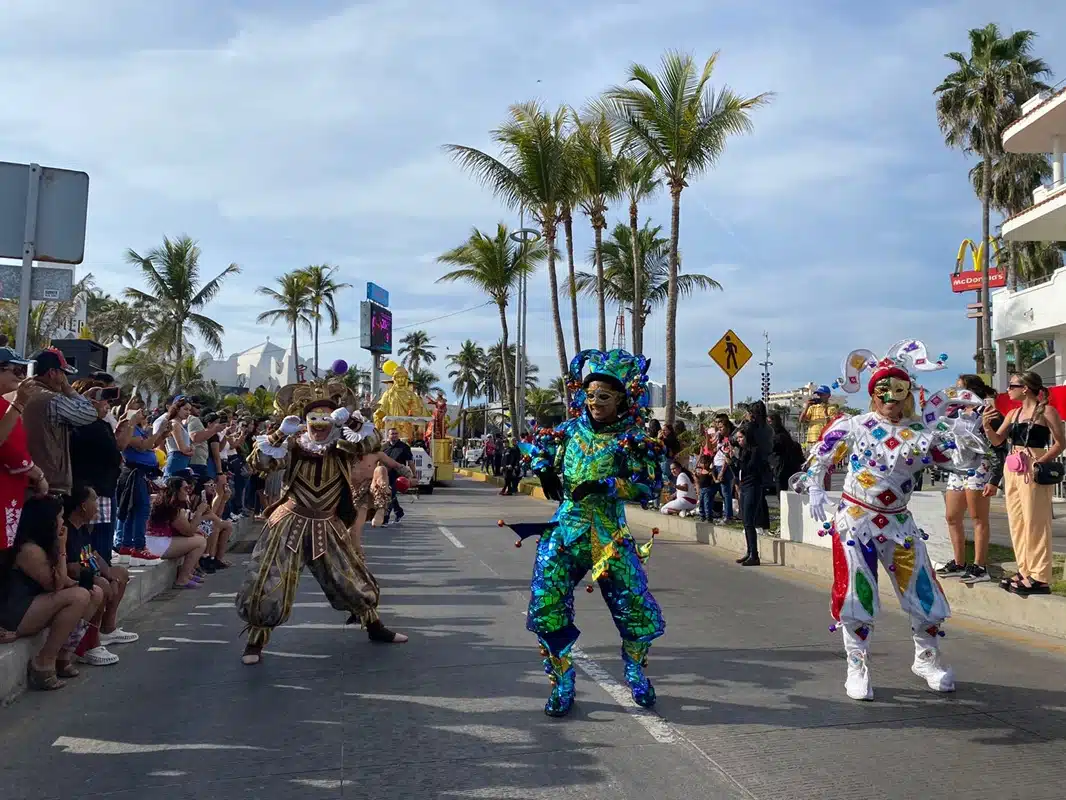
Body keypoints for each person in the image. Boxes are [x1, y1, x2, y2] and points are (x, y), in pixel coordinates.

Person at [795, 341, 988, 700]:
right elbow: (820, 455)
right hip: (856, 521)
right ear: (873, 393)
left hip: (899, 524)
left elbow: (960, 464)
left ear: (907, 394)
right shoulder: (855, 424)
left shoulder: (921, 431)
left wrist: (964, 436)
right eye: (883, 390)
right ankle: (856, 667)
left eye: (898, 390)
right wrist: (816, 489)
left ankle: (926, 659)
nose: (890, 397)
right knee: (857, 596)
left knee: (925, 594)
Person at [507, 348, 665, 717]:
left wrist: (607, 486)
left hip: (609, 538)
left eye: (604, 396)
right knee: (546, 606)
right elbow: (534, 446)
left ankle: (634, 671)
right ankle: (562, 682)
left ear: (622, 399)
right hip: (565, 532)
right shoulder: (568, 430)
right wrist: (544, 467)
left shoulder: (632, 438)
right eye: (591, 395)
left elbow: (650, 487)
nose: (595, 402)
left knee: (636, 608)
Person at [235, 378, 408, 666]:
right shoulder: (292, 445)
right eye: (313, 418)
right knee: (268, 580)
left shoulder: (342, 446)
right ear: (304, 421)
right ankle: (255, 642)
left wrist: (352, 422)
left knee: (350, 577)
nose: (319, 424)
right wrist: (279, 434)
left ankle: (375, 627)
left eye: (326, 418)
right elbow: (258, 464)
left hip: (327, 524)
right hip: (288, 522)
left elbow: (372, 443)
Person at [0, 495, 102, 689]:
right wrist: (63, 547)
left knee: (93, 592)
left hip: (33, 604)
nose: (63, 522)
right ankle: (43, 663)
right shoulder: (29, 549)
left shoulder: (43, 544)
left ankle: (63, 657)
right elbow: (55, 585)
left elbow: (64, 581)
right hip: (14, 612)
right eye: (60, 517)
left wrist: (84, 584)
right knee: (79, 596)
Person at [983, 371, 1065, 596]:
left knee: (1035, 521)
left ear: (1025, 388)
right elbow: (998, 441)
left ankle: (1039, 576)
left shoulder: (1046, 411)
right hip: (1013, 467)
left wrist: (1040, 461)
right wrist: (988, 426)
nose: (1008, 390)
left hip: (1033, 467)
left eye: (1012, 386)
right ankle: (1024, 570)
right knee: (1017, 521)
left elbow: (1060, 442)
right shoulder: (1013, 413)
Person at [939, 375, 1005, 584]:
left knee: (978, 518)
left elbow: (1000, 446)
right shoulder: (955, 412)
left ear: (972, 390)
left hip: (980, 468)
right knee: (952, 516)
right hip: (957, 469)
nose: (956, 392)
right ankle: (959, 563)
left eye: (960, 388)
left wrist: (994, 478)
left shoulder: (988, 412)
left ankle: (980, 566)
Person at [64, 485, 137, 666]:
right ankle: (90, 645)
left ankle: (107, 629)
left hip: (88, 575)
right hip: (71, 582)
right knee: (101, 585)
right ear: (82, 505)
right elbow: (71, 568)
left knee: (120, 573)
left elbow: (93, 555)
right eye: (94, 500)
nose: (97, 506)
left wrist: (111, 576)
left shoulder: (83, 528)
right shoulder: (67, 530)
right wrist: (101, 579)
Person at [20, 348, 103, 496]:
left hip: (26, 477)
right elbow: (89, 414)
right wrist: (69, 390)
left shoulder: (21, 394)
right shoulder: (51, 398)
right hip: (49, 483)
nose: (65, 378)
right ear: (52, 373)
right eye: (63, 373)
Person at [0, 347, 48, 553]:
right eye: (16, 370)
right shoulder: (8, 406)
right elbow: (8, 447)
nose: (21, 376)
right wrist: (37, 474)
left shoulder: (3, 404)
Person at [115, 407, 168, 564]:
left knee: (134, 510)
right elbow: (143, 445)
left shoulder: (138, 428)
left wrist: (163, 434)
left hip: (142, 472)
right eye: (138, 409)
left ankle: (127, 546)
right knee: (141, 509)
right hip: (134, 472)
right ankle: (138, 547)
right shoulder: (126, 427)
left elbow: (151, 445)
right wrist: (158, 433)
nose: (142, 412)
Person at [146, 478, 210, 589]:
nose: (188, 491)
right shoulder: (174, 508)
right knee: (201, 542)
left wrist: (195, 529)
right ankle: (182, 579)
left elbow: (183, 530)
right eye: (185, 489)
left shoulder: (162, 502)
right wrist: (199, 512)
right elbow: (188, 532)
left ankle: (188, 574)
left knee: (197, 536)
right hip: (158, 545)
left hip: (153, 542)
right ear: (176, 490)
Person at [381, 427, 413, 526]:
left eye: (396, 434)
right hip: (385, 475)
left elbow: (411, 462)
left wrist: (414, 476)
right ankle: (399, 512)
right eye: (392, 434)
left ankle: (385, 519)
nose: (394, 435)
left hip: (398, 476)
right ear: (388, 435)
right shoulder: (384, 447)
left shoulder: (404, 447)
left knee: (390, 495)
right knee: (391, 495)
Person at [695, 454, 716, 522]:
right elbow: (698, 479)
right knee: (701, 503)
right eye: (702, 463)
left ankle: (709, 517)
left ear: (709, 463)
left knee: (707, 503)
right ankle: (702, 516)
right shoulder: (700, 471)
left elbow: (714, 479)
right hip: (702, 489)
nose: (704, 465)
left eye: (705, 463)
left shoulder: (710, 471)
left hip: (708, 489)